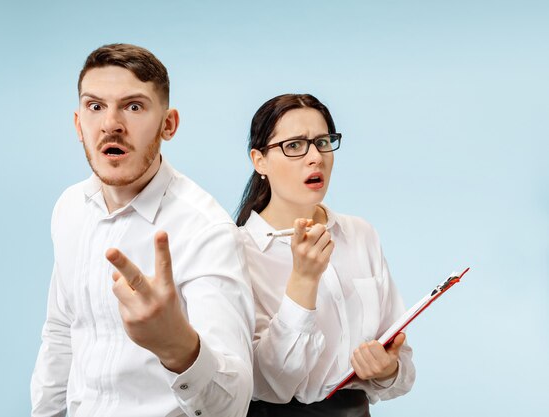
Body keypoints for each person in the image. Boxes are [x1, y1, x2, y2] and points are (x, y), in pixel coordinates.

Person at [31, 43, 255, 417]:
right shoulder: (69, 208)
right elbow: (61, 334)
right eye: (95, 106)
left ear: (168, 124)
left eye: (133, 106)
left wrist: (178, 347)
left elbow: (233, 402)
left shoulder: (206, 230)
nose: (111, 124)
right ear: (78, 124)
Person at [236, 94, 415, 416]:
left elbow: (402, 367)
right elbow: (267, 383)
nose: (315, 157)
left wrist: (387, 370)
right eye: (294, 146)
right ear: (259, 160)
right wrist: (303, 280)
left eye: (322, 142)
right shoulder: (237, 251)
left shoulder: (360, 234)